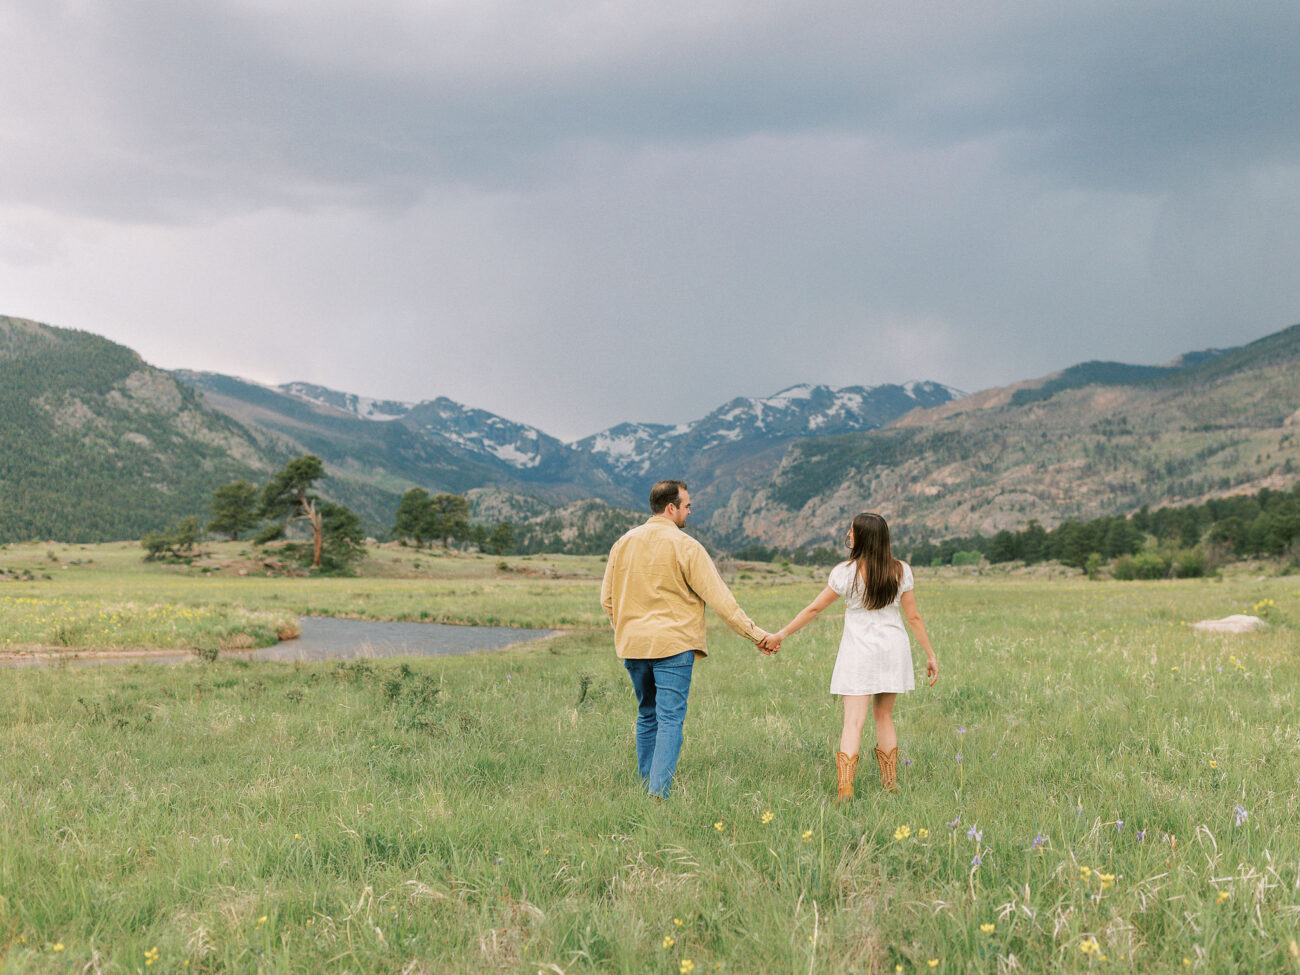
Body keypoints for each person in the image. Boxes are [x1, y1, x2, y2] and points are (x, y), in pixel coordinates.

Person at [601, 480, 778, 799]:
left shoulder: (622, 543)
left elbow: (607, 600)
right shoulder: (687, 546)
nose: (689, 511)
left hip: (633, 646)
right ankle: (657, 795)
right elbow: (720, 599)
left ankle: (646, 787)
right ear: (671, 508)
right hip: (674, 646)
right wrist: (756, 635)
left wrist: (627, 630)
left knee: (647, 714)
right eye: (687, 506)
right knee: (669, 719)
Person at [763, 511, 937, 799]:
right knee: (884, 717)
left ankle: (845, 788)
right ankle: (889, 784)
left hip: (859, 651)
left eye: (852, 530)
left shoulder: (845, 572)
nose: (848, 533)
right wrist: (930, 654)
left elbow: (814, 609)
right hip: (893, 649)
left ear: (863, 537)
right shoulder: (901, 571)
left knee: (853, 722)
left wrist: (780, 634)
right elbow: (914, 617)